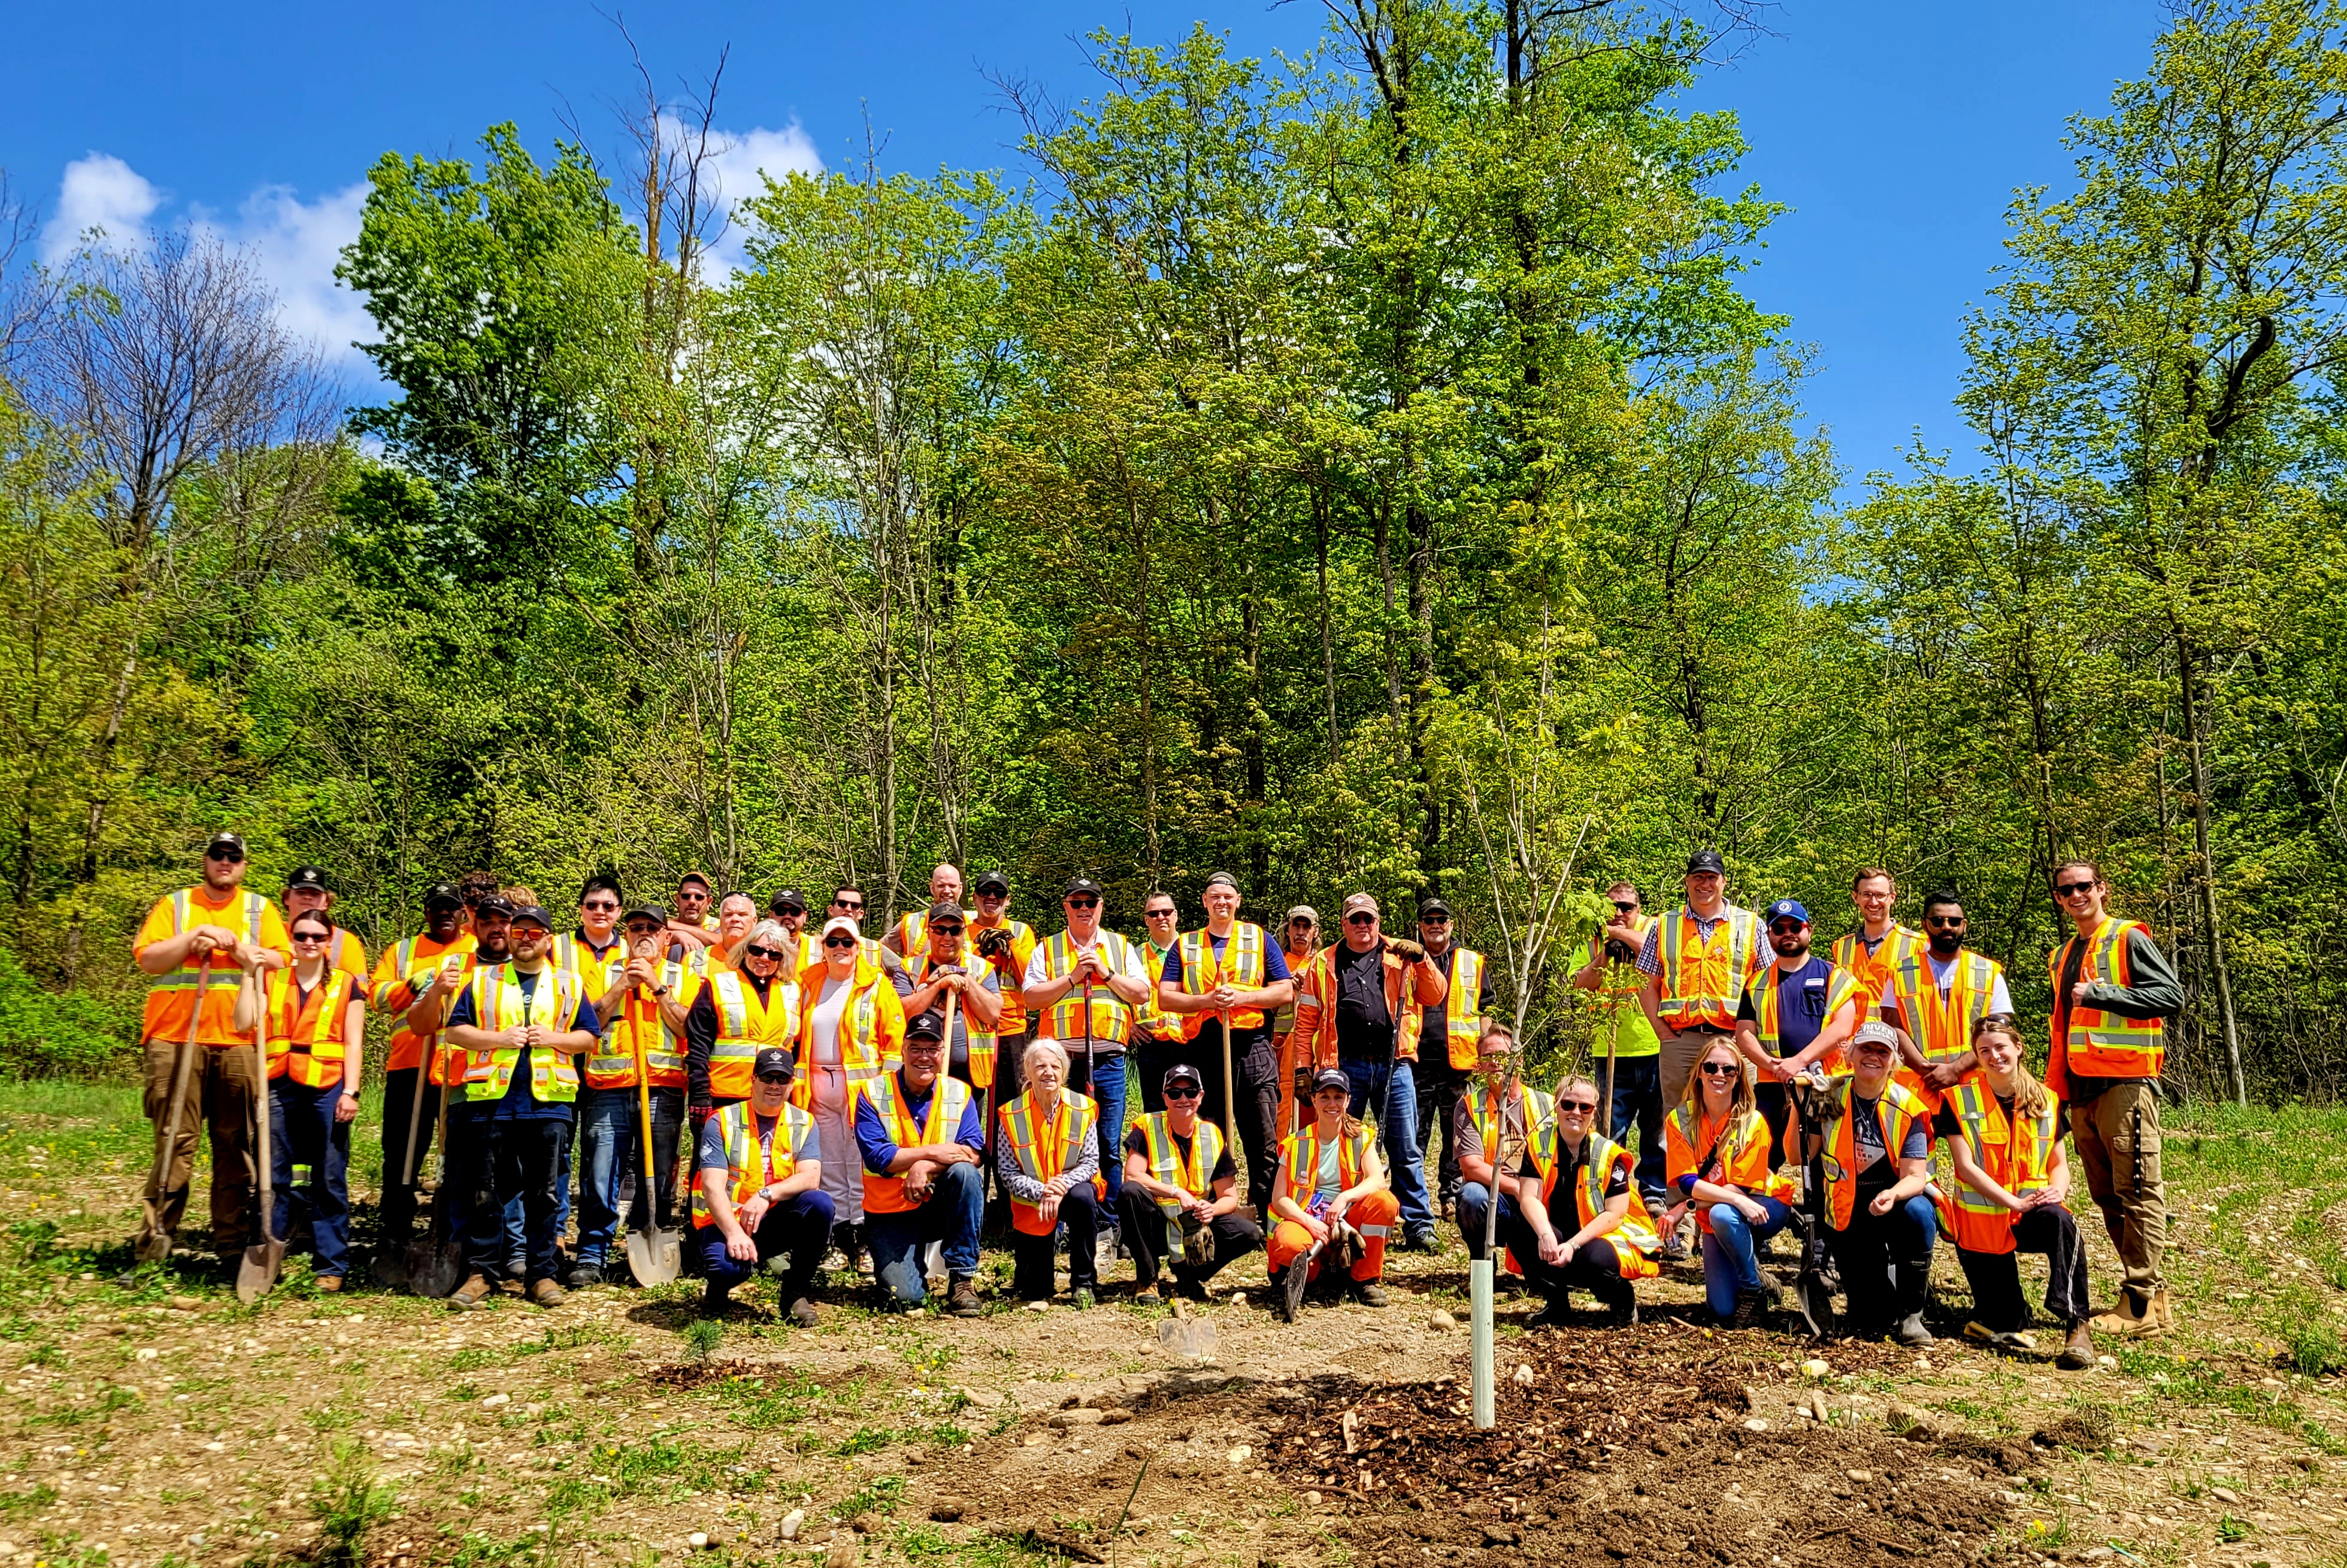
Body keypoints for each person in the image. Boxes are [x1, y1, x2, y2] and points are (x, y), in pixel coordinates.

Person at [131, 831, 291, 1260]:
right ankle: (155, 1241)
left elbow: (281, 958)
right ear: (205, 860)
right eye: (218, 855)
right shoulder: (177, 904)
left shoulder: (259, 909)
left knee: (235, 1143)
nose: (225, 862)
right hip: (175, 1037)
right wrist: (196, 935)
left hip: (238, 1040)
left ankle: (231, 1245)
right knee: (175, 1140)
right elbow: (148, 958)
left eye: (233, 857)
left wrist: (239, 948)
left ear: (243, 864)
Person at [438, 903, 600, 1309]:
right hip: (491, 1101)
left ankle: (541, 1274)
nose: (526, 939)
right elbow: (455, 1031)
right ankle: (481, 1273)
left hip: (549, 1105)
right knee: (485, 1192)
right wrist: (498, 1038)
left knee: (544, 1194)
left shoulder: (569, 983)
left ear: (548, 940)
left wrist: (551, 1038)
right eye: (520, 931)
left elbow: (588, 1038)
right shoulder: (482, 981)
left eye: (535, 933)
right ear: (511, 936)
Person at [2043, 859, 2181, 1337]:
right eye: (2066, 890)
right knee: (2106, 1196)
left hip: (2125, 1086)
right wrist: (2054, 1095)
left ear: (2101, 888)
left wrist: (2103, 994)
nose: (2076, 895)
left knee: (2138, 1191)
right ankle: (2149, 1297)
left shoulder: (2127, 938)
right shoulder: (2061, 954)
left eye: (2084, 886)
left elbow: (2170, 995)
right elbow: (2061, 1030)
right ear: (2058, 898)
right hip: (2080, 1091)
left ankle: (2139, 1302)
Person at [1287, 893, 1446, 1251]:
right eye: (1356, 920)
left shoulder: (1400, 956)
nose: (1363, 926)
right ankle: (1338, 1217)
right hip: (1344, 1067)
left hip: (1395, 1064)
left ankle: (1419, 1225)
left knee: (1405, 1148)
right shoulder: (1323, 963)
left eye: (1369, 920)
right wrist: (1303, 1068)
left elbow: (1435, 995)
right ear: (1344, 923)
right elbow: (1306, 1020)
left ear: (1378, 922)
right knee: (1341, 1145)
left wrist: (1422, 960)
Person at [1634, 849, 1764, 1257]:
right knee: (1679, 1126)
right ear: (1686, 881)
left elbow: (1766, 985)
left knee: (1739, 1124)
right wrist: (1661, 1031)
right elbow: (1646, 981)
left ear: (1724, 881)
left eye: (1712, 877)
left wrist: (1753, 1037)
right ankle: (1681, 1223)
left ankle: (1735, 1218)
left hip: (1734, 1039)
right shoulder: (1664, 925)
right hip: (1682, 1039)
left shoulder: (1749, 924)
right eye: (1697, 877)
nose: (1704, 884)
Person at [1946, 1018, 2094, 1369]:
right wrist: (2013, 1201)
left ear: (2018, 1048)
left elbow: (2060, 1164)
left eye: (2001, 1047)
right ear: (1977, 1058)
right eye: (1985, 1051)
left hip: (2032, 1215)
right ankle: (2011, 1308)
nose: (1994, 1056)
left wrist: (2057, 1191)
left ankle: (2078, 1326)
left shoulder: (2047, 1100)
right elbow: (1966, 1167)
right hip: (1982, 1226)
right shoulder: (1957, 1100)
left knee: (2063, 1223)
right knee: (2004, 1322)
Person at [233, 907, 366, 1290]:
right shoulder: (271, 980)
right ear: (291, 939)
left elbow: (354, 1041)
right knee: (273, 1174)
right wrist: (247, 974)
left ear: (329, 942)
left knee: (329, 1174)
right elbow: (244, 1023)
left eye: (318, 937)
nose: (309, 943)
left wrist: (351, 1092)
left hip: (328, 1087)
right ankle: (268, 1253)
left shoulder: (346, 984)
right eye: (302, 936)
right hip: (279, 1085)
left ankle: (332, 1266)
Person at [1023, 876, 1153, 1258]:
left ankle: (1108, 1223)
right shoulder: (1048, 948)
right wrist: (1073, 978)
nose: (1084, 909)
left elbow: (1142, 992)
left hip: (1109, 1059)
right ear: (1066, 907)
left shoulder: (1120, 946)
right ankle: (1065, 1220)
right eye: (1076, 902)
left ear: (1100, 907)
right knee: (1062, 1145)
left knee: (1109, 1145)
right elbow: (1031, 997)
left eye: (1091, 902)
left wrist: (1106, 973)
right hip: (1061, 1063)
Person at [573, 902, 699, 1287]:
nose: (644, 933)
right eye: (636, 927)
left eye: (652, 928)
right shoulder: (603, 971)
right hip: (609, 1087)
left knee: (658, 1172)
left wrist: (657, 988)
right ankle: (592, 1253)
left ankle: (647, 1234)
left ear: (665, 936)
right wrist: (622, 987)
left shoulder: (683, 975)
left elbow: (688, 1029)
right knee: (600, 1172)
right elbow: (587, 1020)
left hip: (662, 1087)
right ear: (625, 934)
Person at [1155, 872, 1296, 1211]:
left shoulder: (1259, 938)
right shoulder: (1185, 944)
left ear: (1238, 901)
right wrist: (1207, 1001)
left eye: (1228, 896)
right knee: (1209, 1136)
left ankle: (1266, 1211)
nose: (1222, 902)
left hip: (1252, 1048)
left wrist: (1243, 997)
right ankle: (1217, 1209)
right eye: (1215, 896)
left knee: (1263, 1136)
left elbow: (1285, 990)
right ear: (1205, 902)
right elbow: (1165, 997)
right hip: (1204, 1048)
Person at [1797, 1021, 1940, 1345]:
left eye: (1882, 1051)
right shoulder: (1829, 1094)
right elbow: (1799, 1155)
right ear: (1850, 1054)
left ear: (1894, 1061)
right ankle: (1890, 1288)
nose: (1873, 1056)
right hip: (1848, 1209)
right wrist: (1799, 1104)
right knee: (1871, 1317)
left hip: (1894, 1201)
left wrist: (1892, 1193)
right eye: (1866, 1048)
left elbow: (1916, 1177)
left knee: (1918, 1212)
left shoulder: (1908, 1107)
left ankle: (1912, 1313)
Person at [369, 884, 479, 1266]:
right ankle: (394, 1234)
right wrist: (413, 983)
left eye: (452, 908)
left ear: (463, 913)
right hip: (409, 1064)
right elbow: (376, 996)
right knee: (401, 1156)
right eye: (437, 908)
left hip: (456, 1068)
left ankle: (449, 1235)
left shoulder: (474, 948)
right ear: (426, 912)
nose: (445, 914)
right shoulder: (402, 952)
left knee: (456, 1158)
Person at [797, 914, 910, 1267]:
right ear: (823, 948)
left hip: (862, 1090)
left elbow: (894, 1043)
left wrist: (888, 1093)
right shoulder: (808, 982)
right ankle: (836, 1234)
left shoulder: (876, 984)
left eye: (847, 942)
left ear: (858, 947)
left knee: (858, 1163)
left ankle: (862, 1239)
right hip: (816, 1084)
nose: (840, 949)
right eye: (833, 942)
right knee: (828, 1163)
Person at [855, 1012, 985, 1313]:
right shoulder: (872, 1092)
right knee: (905, 1299)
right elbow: (879, 1158)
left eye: (932, 1049)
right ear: (903, 1050)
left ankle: (962, 1279)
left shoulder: (958, 1092)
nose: (924, 1057)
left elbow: (973, 1153)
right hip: (890, 1209)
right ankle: (905, 1268)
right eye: (916, 1048)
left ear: (942, 1053)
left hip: (937, 1206)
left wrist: (923, 1166)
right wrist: (934, 1151)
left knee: (966, 1174)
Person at [693, 1047, 832, 1325]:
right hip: (724, 1222)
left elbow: (810, 1177)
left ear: (792, 1083)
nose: (775, 1086)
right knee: (727, 1270)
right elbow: (711, 1187)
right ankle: (718, 1288)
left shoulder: (804, 1122)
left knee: (821, 1205)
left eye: (783, 1079)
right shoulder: (721, 1121)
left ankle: (795, 1292)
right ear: (753, 1080)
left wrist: (766, 1195)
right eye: (768, 1077)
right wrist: (734, 1233)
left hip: (771, 1218)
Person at [1664, 1036, 1795, 1327]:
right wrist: (1724, 1201)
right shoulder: (1680, 1119)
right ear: (1699, 1072)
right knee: (1722, 1311)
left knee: (1722, 1214)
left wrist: (1685, 1208)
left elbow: (1741, 1187)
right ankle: (1755, 1274)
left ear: (1738, 1078)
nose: (1719, 1075)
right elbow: (1687, 1182)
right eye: (1711, 1068)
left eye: (1729, 1070)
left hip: (1766, 1204)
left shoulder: (1753, 1122)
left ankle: (1752, 1290)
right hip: (1728, 1207)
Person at [1515, 1073, 1658, 1326]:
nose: (1576, 1112)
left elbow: (1615, 1214)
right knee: (1522, 1226)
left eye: (1585, 1107)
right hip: (1558, 1235)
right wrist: (1545, 1234)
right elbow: (1528, 1197)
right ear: (1556, 1107)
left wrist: (1573, 1246)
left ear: (1594, 1113)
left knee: (1597, 1261)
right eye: (1568, 1104)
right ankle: (1557, 1306)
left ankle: (1622, 1304)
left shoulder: (1609, 1154)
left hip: (1599, 1237)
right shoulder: (1537, 1144)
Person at [1734, 899, 1868, 1161]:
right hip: (1773, 1083)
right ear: (1769, 935)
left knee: (1827, 1161)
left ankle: (1820, 1205)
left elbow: (1842, 1027)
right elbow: (1744, 1034)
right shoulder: (1756, 982)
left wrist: (1799, 1062)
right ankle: (1762, 1203)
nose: (1788, 934)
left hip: (1826, 1082)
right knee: (1758, 1158)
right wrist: (1775, 1066)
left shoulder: (1834, 976)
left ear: (1809, 930)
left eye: (1796, 927)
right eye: (1780, 929)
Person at [1120, 1063, 1262, 1304]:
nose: (1183, 1099)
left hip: (1194, 1223)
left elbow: (1229, 1196)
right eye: (1175, 1093)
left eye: (1191, 1092)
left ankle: (1190, 1275)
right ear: (1165, 1097)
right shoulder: (1147, 1127)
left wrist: (1212, 1210)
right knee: (1130, 1193)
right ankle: (1148, 1278)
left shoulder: (1212, 1135)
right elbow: (1132, 1176)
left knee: (1248, 1233)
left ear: (1201, 1096)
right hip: (1156, 1221)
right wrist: (1176, 1192)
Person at [1570, 882, 1667, 1217]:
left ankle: (1654, 1193)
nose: (1619, 913)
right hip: (1609, 1048)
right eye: (1613, 907)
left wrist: (1622, 937)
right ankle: (1614, 1190)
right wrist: (1605, 953)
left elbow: (1658, 953)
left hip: (1654, 1045)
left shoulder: (1654, 929)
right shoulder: (1590, 939)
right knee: (1612, 1129)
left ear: (1638, 909)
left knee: (1657, 1130)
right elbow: (1578, 986)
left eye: (1626, 907)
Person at [1883, 891, 2012, 1121]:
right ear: (1925, 924)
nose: (1946, 927)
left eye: (1954, 921)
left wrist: (1955, 1069)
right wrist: (1926, 1071)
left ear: (1964, 925)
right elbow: (1893, 1026)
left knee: (1977, 1155)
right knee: (1919, 1155)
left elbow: (2001, 1031)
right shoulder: (1900, 973)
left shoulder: (1988, 971)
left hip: (1977, 1084)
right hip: (1919, 1086)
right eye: (1937, 921)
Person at [996, 1037, 1103, 1307]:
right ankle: (1035, 1276)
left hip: (1070, 1192)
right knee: (1034, 1290)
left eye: (1055, 1066)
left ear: (1064, 1072)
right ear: (1028, 1072)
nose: (1048, 1073)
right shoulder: (1010, 1114)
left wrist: (1060, 1187)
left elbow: (1090, 1162)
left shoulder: (1083, 1108)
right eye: (1040, 1066)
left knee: (1083, 1198)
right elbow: (1007, 1172)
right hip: (1034, 1201)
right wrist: (1043, 1191)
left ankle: (1084, 1282)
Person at [685, 918, 803, 1145]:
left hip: (772, 1097)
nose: (764, 958)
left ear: (782, 959)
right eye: (757, 950)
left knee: (764, 1168)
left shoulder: (792, 991)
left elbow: (795, 1048)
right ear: (745, 949)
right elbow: (698, 1045)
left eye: (774, 954)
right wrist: (699, 1093)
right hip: (723, 1096)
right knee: (711, 1169)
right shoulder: (718, 985)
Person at [1411, 896, 1492, 1224]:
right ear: (1420, 927)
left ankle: (1452, 1194)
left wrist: (1488, 1052)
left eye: (1441, 919)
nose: (1435, 925)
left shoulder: (1471, 962)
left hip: (1458, 1063)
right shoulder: (1407, 960)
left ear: (1451, 925)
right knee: (1413, 1135)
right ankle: (1413, 1200)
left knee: (1456, 1135)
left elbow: (1485, 1009)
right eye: (1428, 920)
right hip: (1416, 1062)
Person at [1453, 1023, 1552, 1270]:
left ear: (1518, 1060)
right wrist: (1519, 1189)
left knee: (1540, 1278)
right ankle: (1483, 1266)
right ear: (1479, 1065)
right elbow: (1472, 1168)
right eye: (1488, 1057)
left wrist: (1532, 1195)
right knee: (1471, 1197)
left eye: (1502, 1056)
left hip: (1544, 1198)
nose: (1495, 1062)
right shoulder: (1469, 1106)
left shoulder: (1548, 1104)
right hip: (1499, 1196)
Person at [903, 902, 1004, 1097]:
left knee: (964, 1129)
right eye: (940, 930)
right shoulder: (909, 968)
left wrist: (964, 978)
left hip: (969, 1078)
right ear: (929, 932)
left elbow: (993, 1014)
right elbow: (901, 1014)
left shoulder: (981, 969)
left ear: (964, 933)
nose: (947, 937)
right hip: (919, 1074)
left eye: (955, 930)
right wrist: (939, 984)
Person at [968, 870, 1039, 1099]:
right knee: (969, 1100)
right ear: (974, 897)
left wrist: (1012, 945)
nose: (991, 897)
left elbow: (1030, 979)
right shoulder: (962, 931)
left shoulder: (1021, 931)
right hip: (972, 1027)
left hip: (1011, 1028)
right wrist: (980, 951)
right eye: (985, 892)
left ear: (1008, 900)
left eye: (998, 893)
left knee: (1009, 1102)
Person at [1831, 869, 1921, 1016]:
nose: (1873, 902)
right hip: (1853, 1037)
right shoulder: (1841, 947)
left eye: (1880, 895)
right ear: (1856, 897)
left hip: (1896, 1036)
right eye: (1867, 895)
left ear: (1892, 898)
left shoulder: (1917, 945)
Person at [1132, 889, 1190, 1114]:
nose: (1161, 917)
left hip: (1189, 1040)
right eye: (1154, 913)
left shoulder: (1194, 952)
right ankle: (1156, 1150)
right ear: (1147, 920)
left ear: (1175, 915)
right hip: (1150, 1044)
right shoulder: (1134, 955)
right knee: (1155, 1110)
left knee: (1191, 1106)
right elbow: (1118, 994)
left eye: (1166, 912)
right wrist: (1128, 1025)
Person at [1265, 905, 1319, 1129]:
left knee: (1312, 1108)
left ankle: (1309, 1160)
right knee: (1280, 1108)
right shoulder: (1275, 963)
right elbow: (1263, 1005)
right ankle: (1278, 1161)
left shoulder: (1323, 964)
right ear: (1287, 930)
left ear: (1315, 931)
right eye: (1295, 925)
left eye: (1306, 926)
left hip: (1313, 1048)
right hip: (1281, 1046)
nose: (1300, 931)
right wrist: (1286, 983)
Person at [281, 865, 369, 982]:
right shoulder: (272, 933)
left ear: (326, 902)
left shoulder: (345, 941)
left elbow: (359, 989)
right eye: (301, 892)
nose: (307, 897)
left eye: (315, 894)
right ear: (287, 898)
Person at [887, 863, 964, 959]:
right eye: (941, 886)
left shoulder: (973, 921)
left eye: (952, 886)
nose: (947, 891)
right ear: (932, 888)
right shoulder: (912, 922)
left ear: (960, 889)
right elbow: (879, 951)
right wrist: (899, 968)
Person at [704, 892, 759, 972]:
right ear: (721, 921)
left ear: (754, 921)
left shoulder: (766, 960)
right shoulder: (696, 959)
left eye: (742, 914)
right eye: (728, 915)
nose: (735, 919)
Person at [668, 874, 718, 953]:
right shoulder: (659, 928)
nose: (692, 902)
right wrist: (678, 935)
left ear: (709, 902)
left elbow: (723, 942)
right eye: (686, 896)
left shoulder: (720, 926)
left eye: (699, 897)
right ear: (677, 899)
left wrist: (674, 926)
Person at [768, 887, 814, 969]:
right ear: (771, 915)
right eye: (781, 911)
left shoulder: (819, 946)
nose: (788, 916)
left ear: (805, 916)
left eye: (794, 911)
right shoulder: (759, 946)